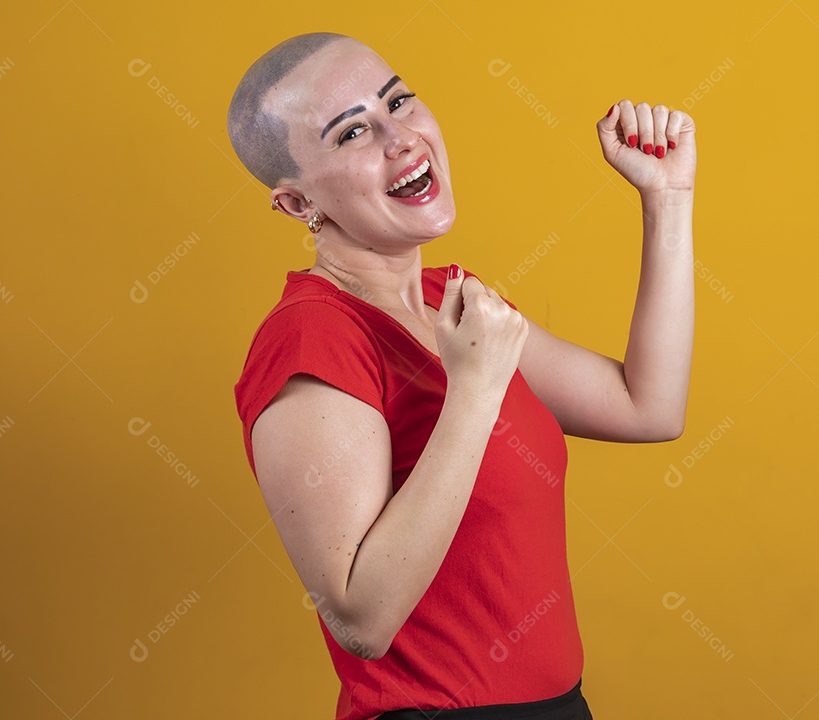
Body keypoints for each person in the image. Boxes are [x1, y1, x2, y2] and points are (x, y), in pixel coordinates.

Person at [228, 31, 696, 720]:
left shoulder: (457, 302)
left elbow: (647, 408)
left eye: (399, 102)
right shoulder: (312, 338)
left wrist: (668, 198)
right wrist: (472, 391)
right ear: (298, 205)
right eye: (353, 131)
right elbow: (362, 618)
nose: (402, 139)